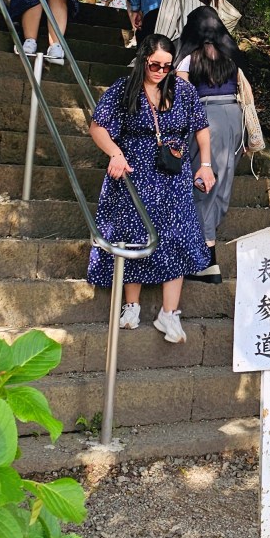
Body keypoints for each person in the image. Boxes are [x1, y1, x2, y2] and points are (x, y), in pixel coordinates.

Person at [87, 34, 215, 342]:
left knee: (179, 235)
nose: (159, 71)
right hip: (134, 170)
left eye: (166, 66)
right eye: (154, 64)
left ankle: (169, 314)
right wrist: (115, 153)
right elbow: (97, 126)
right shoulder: (124, 89)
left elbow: (201, 127)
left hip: (173, 173)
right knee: (133, 233)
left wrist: (206, 165)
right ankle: (131, 306)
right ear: (144, 59)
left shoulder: (183, 90)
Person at [172, 6, 253, 284]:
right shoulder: (232, 57)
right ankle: (206, 252)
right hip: (234, 120)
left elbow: (182, 101)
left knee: (202, 185)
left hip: (206, 120)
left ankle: (206, 260)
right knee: (220, 187)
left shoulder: (187, 60)